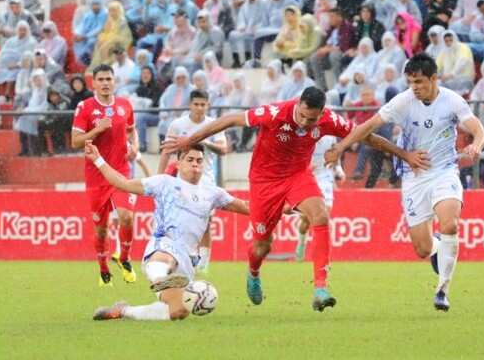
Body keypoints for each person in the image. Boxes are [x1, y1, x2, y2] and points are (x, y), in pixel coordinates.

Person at [162, 86, 430, 311]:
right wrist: (192, 139)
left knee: (321, 214)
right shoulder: (274, 113)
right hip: (264, 182)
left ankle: (320, 289)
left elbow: (365, 136)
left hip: (297, 176)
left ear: (321, 113)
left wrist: (404, 154)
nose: (304, 122)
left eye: (311, 120)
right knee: (262, 246)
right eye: (302, 115)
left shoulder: (328, 120)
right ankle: (254, 271)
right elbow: (230, 120)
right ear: (298, 105)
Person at [324, 53, 484, 312]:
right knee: (422, 248)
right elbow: (368, 126)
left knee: (450, 224)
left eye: (420, 82)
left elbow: (479, 130)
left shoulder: (452, 101)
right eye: (411, 82)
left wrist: (477, 145)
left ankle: (443, 289)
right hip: (413, 178)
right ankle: (437, 249)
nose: (415, 87)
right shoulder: (403, 101)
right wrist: (341, 148)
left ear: (434, 79)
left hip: (444, 172)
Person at [89, 142, 249, 321]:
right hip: (165, 243)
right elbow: (123, 184)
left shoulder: (213, 194)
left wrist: (282, 208)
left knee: (178, 311)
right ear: (178, 163)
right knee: (167, 258)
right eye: (190, 160)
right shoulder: (164, 183)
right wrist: (97, 159)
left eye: (199, 161)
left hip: (187, 261)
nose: (195, 164)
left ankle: (124, 311)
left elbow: (247, 207)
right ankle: (159, 278)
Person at [71, 64, 139, 287]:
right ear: (94, 83)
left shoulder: (125, 105)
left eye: (109, 79)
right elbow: (75, 141)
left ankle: (125, 257)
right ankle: (103, 270)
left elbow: (131, 128)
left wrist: (135, 145)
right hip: (96, 175)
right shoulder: (85, 107)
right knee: (101, 229)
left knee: (126, 216)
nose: (105, 83)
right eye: (101, 79)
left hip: (120, 170)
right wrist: (97, 130)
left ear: (114, 81)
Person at [158, 89, 228, 274]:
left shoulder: (214, 124)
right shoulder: (177, 124)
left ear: (208, 105)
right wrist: (159, 179)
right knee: (181, 220)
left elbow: (224, 149)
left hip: (205, 179)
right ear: (189, 104)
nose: (199, 108)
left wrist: (202, 142)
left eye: (202, 105)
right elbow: (167, 151)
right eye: (196, 104)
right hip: (181, 180)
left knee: (205, 222)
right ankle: (182, 256)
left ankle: (203, 263)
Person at [294, 135, 344, 262]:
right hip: (307, 176)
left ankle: (320, 252)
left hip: (325, 176)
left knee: (325, 213)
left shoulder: (331, 137)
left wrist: (339, 169)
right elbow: (295, 155)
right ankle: (302, 242)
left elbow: (335, 154)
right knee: (305, 221)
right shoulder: (304, 133)